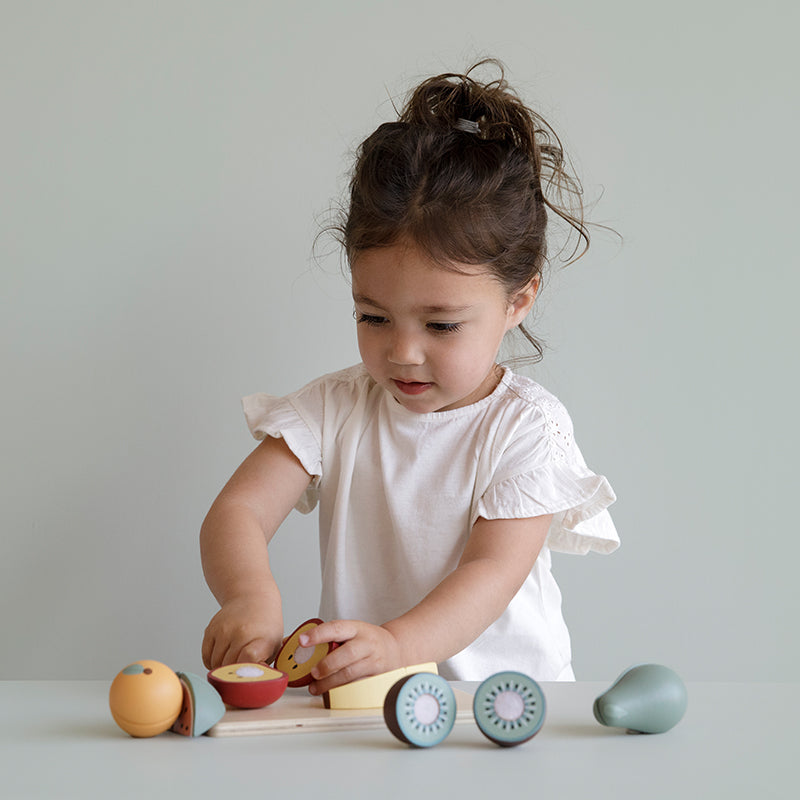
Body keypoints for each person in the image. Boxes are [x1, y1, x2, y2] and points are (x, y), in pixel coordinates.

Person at [200, 59, 619, 694]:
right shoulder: (334, 408)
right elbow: (237, 511)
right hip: (370, 705)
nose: (402, 353)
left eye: (442, 325)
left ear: (518, 301)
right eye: (373, 316)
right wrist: (248, 595)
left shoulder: (526, 429)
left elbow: (489, 574)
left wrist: (397, 643)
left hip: (502, 709)